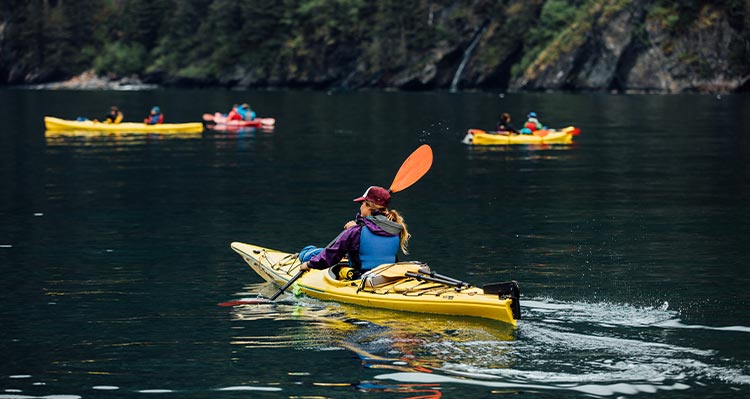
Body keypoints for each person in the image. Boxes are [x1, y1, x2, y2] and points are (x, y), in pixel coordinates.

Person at [299, 186, 410, 276]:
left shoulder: (356, 231)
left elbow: (331, 256)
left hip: (361, 278)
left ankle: (302, 255)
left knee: (309, 253)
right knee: (326, 252)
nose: (360, 207)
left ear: (368, 207)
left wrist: (308, 265)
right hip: (387, 277)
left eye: (362, 203)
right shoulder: (396, 228)